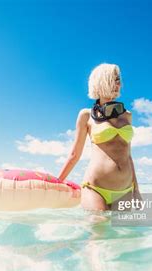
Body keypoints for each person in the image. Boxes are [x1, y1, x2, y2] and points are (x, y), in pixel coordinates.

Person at [58, 63, 141, 211]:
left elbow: (128, 155)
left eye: (119, 80)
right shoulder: (85, 115)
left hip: (125, 191)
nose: (119, 84)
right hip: (95, 189)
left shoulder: (127, 115)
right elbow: (74, 155)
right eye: (114, 79)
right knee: (98, 232)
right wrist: (58, 183)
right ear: (102, 81)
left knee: (126, 234)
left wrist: (137, 191)